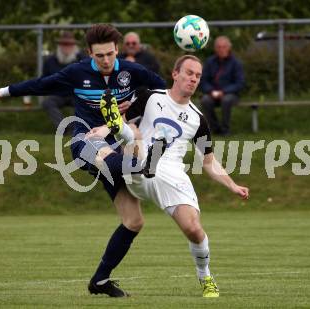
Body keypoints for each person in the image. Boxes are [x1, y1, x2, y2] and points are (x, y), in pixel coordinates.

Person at [0, 23, 166, 297]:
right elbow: (41, 85)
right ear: (90, 53)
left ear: (117, 50)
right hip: (86, 142)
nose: (105, 60)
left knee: (134, 221)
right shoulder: (77, 72)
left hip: (115, 147)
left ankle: (100, 281)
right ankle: (146, 167)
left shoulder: (133, 71)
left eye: (109, 54)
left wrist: (136, 104)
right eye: (99, 56)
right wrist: (3, 92)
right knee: (107, 153)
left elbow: (162, 91)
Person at [89, 55, 250, 297]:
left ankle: (205, 276)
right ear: (175, 74)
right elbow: (129, 124)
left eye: (197, 75)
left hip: (172, 174)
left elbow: (208, 161)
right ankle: (138, 155)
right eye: (189, 72)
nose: (193, 78)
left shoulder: (198, 119)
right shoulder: (150, 97)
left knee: (194, 229)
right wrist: (105, 128)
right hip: (139, 162)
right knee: (133, 136)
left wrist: (232, 185)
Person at [41, 31, 87, 133]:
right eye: (64, 44)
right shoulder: (50, 61)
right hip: (58, 94)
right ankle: (64, 128)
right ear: (59, 45)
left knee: (85, 103)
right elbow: (44, 79)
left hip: (76, 94)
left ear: (74, 46)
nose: (67, 47)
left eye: (69, 44)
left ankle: (76, 127)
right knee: (47, 103)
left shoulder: (82, 59)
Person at [200, 36, 245, 136]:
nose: (221, 49)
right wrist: (211, 91)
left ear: (229, 48)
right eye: (219, 47)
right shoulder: (209, 62)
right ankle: (215, 128)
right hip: (212, 93)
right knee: (205, 100)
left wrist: (223, 92)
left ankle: (225, 130)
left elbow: (240, 83)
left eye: (224, 47)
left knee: (226, 100)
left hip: (230, 94)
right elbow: (203, 81)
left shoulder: (236, 63)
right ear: (215, 49)